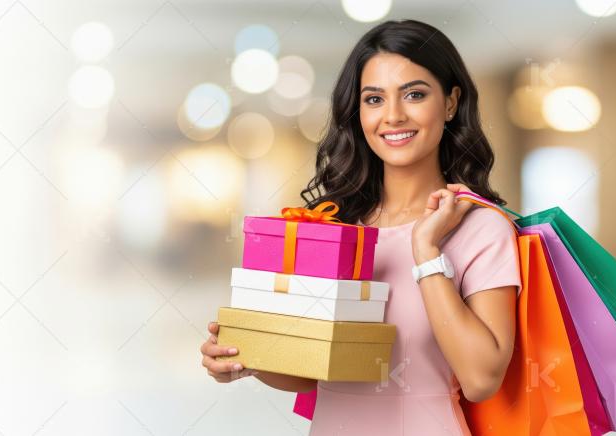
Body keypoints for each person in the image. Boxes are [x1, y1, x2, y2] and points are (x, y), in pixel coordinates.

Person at [200, 19, 522, 435]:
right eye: (374, 99)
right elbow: (313, 371)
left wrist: (426, 251)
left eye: (415, 94)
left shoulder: (482, 229)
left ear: (450, 102)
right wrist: (244, 358)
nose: (393, 115)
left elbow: (481, 379)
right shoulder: (335, 226)